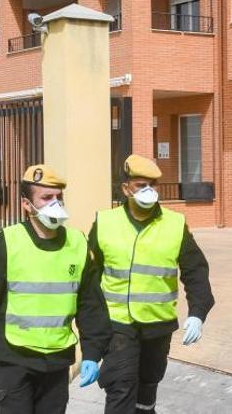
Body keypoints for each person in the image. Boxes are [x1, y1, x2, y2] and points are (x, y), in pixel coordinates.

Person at [0, 165, 112, 414]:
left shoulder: (77, 243)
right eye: (46, 198)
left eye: (58, 198)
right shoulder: (6, 243)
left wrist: (92, 353)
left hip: (57, 363)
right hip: (15, 361)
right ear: (27, 204)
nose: (55, 204)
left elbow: (91, 305)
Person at [90, 154, 214, 414]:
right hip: (117, 326)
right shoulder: (105, 223)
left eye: (153, 185)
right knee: (120, 388)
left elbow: (196, 270)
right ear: (126, 188)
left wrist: (198, 313)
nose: (148, 191)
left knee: (147, 393)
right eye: (140, 185)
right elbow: (91, 276)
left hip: (158, 326)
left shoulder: (174, 224)